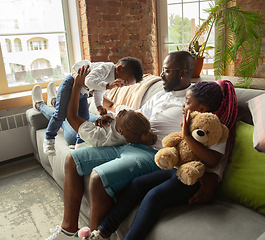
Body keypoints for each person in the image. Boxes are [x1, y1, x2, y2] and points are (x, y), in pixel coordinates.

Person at [45, 51, 217, 240]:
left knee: (98, 178)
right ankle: (67, 230)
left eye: (166, 71)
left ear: (183, 73)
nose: (161, 75)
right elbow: (138, 116)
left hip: (154, 154)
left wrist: (214, 177)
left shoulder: (196, 101)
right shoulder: (161, 95)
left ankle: (95, 237)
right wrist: (111, 117)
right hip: (131, 142)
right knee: (72, 159)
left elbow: (212, 135)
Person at [83, 80, 238, 240]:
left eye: (187, 102)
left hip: (191, 177)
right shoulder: (188, 120)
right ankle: (103, 232)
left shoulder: (215, 127)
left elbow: (212, 160)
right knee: (137, 184)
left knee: (154, 196)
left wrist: (186, 136)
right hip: (175, 169)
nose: (183, 105)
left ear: (202, 109)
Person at [33, 57, 143, 156]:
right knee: (60, 114)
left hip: (83, 91)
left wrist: (99, 105)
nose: (122, 85)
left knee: (84, 117)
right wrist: (107, 85)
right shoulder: (107, 67)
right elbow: (88, 80)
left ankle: (80, 143)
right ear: (119, 68)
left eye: (126, 85)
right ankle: (49, 139)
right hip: (71, 83)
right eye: (125, 81)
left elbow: (99, 91)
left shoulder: (111, 80)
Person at [66, 65, 157, 148]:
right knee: (87, 112)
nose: (120, 112)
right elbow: (112, 105)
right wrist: (93, 89)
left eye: (120, 115)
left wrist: (77, 85)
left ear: (120, 131)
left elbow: (71, 117)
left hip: (79, 134)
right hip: (94, 123)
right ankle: (55, 100)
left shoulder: (101, 137)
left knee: (60, 114)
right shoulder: (131, 118)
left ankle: (53, 101)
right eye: (126, 111)